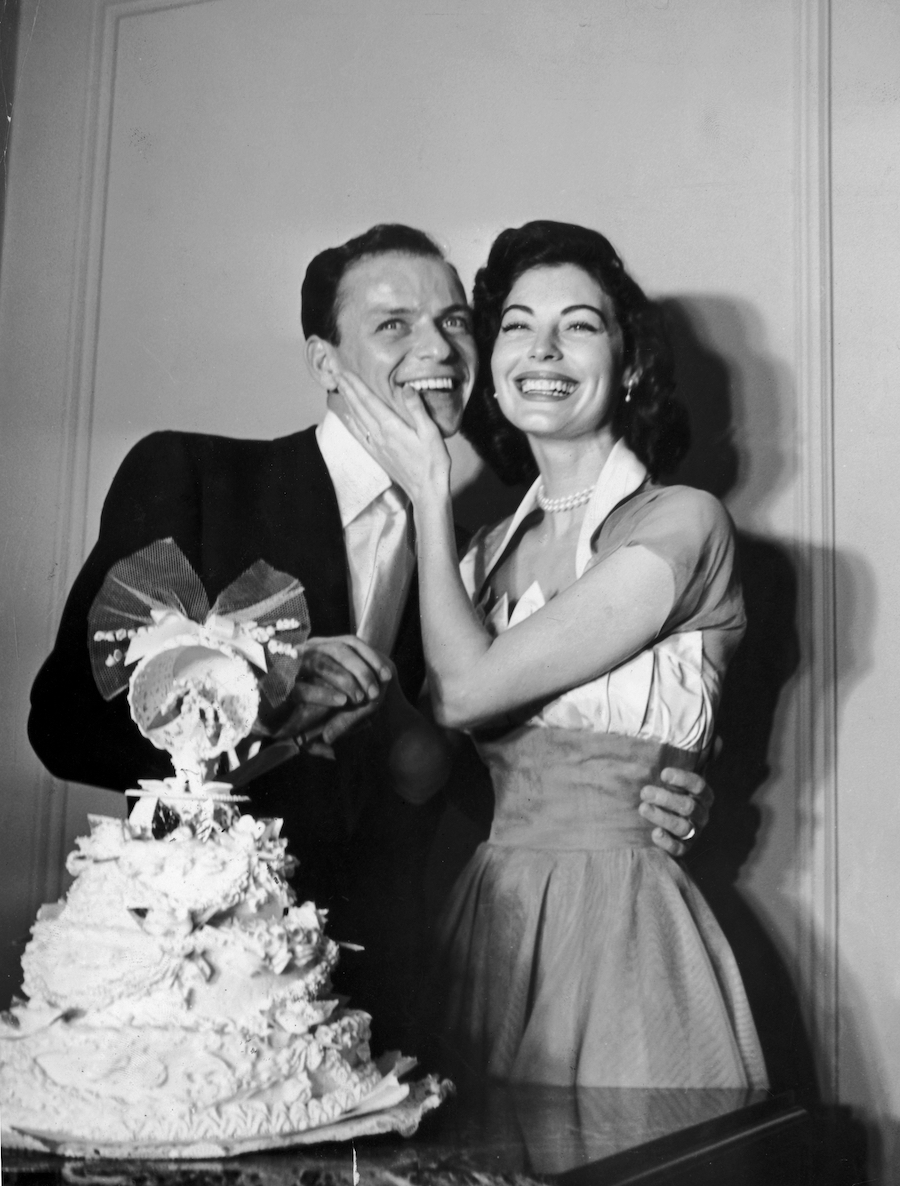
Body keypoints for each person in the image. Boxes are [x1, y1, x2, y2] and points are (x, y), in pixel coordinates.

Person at [28, 223, 714, 1050]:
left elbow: (477, 775)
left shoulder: (466, 562)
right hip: (194, 994)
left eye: (456, 322)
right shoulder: (197, 477)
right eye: (395, 324)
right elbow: (63, 723)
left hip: (393, 1002)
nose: (439, 348)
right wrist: (255, 704)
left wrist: (659, 789)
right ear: (325, 363)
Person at [334, 219, 768, 1087]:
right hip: (488, 924)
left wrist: (427, 488)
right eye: (518, 325)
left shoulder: (682, 521)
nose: (544, 348)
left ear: (630, 361)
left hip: (623, 924)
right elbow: (423, 768)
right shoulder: (479, 557)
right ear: (492, 366)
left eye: (579, 323)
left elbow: (467, 695)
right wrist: (320, 683)